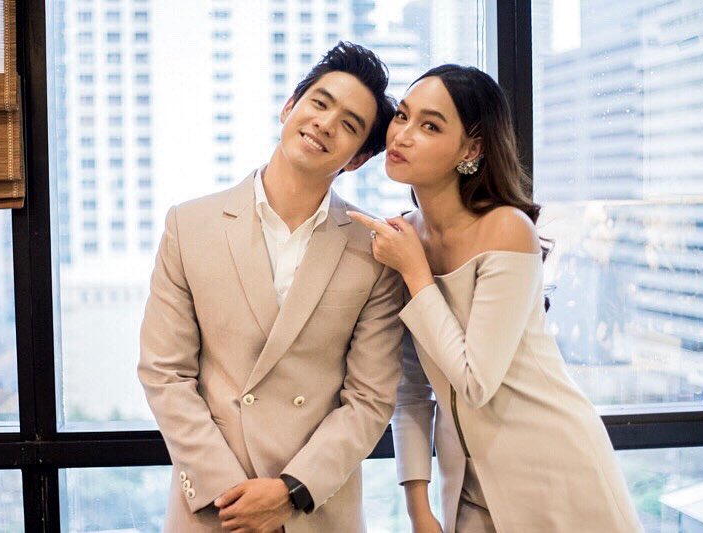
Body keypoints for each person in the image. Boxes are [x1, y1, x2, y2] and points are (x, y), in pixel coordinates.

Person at [348, 65, 642, 533]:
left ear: (472, 149)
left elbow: (475, 382)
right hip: (465, 486)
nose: (402, 134)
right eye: (402, 116)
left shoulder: (506, 229)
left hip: (556, 471)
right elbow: (411, 390)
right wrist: (418, 508)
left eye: (430, 126)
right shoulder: (404, 237)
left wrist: (415, 271)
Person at [138, 42, 404, 532]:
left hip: (315, 510)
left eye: (349, 124)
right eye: (319, 103)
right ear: (289, 107)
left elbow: (369, 399)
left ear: (358, 158)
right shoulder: (189, 225)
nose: (325, 123)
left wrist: (292, 491)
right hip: (216, 509)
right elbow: (164, 373)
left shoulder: (374, 251)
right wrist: (229, 493)